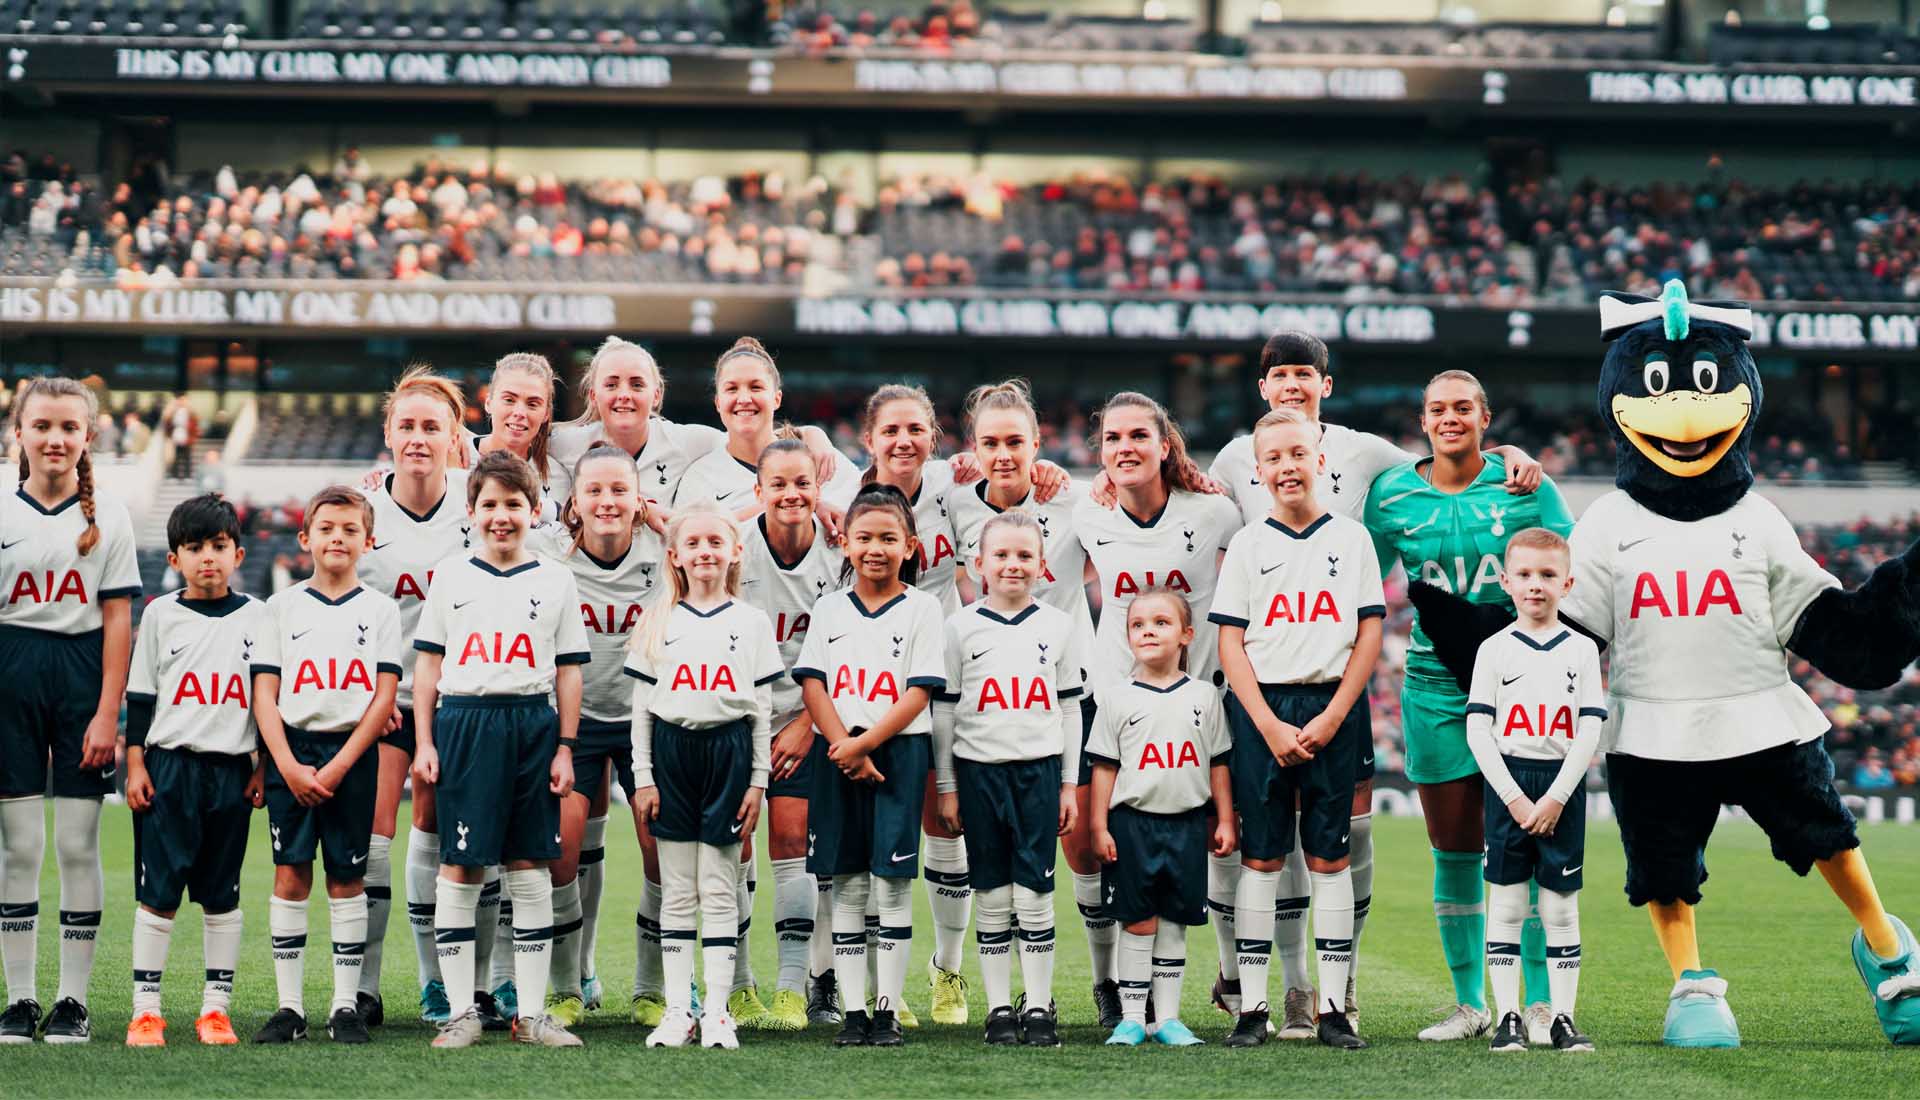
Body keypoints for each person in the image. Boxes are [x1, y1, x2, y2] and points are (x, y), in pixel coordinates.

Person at [1204, 331, 1542, 1035]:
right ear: (1262, 391)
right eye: (1279, 375)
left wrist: (1506, 453)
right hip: (1265, 685)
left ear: (1325, 389)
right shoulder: (1234, 460)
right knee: (1264, 856)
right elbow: (1187, 495)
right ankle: (1281, 990)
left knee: (1341, 849)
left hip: (1335, 687)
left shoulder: (1367, 458)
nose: (1292, 385)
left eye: (1305, 374)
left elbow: (1447, 454)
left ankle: (1340, 990)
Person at [1363, 369, 1575, 1044]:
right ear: (1422, 421)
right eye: (1437, 409)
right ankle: (1470, 1005)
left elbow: (1574, 568)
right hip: (1433, 685)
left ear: (1485, 418)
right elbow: (1360, 577)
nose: (1449, 417)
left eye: (1463, 408)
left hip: (1520, 686)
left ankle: (1538, 1004)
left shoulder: (1525, 485)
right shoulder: (1390, 494)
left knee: (1525, 845)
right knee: (1454, 850)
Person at [1210, 408, 1383, 1051]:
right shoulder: (1249, 544)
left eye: (1297, 453)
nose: (1287, 466)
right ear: (1258, 471)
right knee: (1261, 859)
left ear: (1320, 461)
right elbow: (1231, 643)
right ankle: (1253, 1009)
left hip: (1333, 706)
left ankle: (1333, 1009)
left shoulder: (1352, 540)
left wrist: (1333, 716)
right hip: (1263, 711)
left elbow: (1369, 633)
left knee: (1330, 859)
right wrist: (1267, 724)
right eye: (1274, 458)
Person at [409, 451, 589, 1050]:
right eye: (490, 504)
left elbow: (569, 673)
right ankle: (462, 1011)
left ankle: (531, 1015)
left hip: (532, 724)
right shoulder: (450, 575)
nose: (501, 516)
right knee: (461, 867)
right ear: (472, 510)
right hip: (466, 723)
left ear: (534, 511)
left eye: (514, 504)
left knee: (529, 867)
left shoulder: (556, 579)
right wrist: (425, 741)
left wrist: (565, 748)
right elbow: (428, 666)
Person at [1073, 391, 1241, 1029]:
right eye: (1112, 438)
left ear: (1164, 444)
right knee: (1099, 851)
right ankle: (1112, 988)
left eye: (1138, 435)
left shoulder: (1214, 510)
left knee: (1212, 845)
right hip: (1113, 707)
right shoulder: (1086, 512)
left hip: (1198, 704)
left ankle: (1231, 974)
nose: (1125, 447)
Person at [0, 376, 140, 1045]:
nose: (55, 439)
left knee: (78, 844)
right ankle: (20, 999)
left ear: (88, 436)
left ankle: (72, 1002)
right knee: (19, 846)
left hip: (82, 679)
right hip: (10, 675)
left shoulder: (110, 513)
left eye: (68, 428)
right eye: (42, 426)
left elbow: (117, 621)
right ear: (19, 433)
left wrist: (108, 713)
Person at [793, 484, 947, 1048]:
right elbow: (814, 683)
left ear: (910, 545)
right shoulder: (829, 608)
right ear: (845, 542)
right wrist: (843, 744)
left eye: (887, 538)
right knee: (848, 885)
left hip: (898, 753)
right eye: (864, 538)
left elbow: (919, 692)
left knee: (893, 884)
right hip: (836, 753)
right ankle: (853, 1011)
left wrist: (865, 746)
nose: (875, 549)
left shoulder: (924, 608)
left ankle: (887, 1010)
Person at [250, 486, 403, 1046]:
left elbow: (383, 698)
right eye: (327, 529)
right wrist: (286, 765)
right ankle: (290, 1007)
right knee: (291, 874)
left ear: (368, 541)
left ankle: (344, 1006)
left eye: (349, 529)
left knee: (347, 877)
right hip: (292, 753)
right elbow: (264, 695)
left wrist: (339, 766)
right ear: (305, 538)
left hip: (351, 756)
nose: (338, 538)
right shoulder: (279, 607)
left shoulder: (381, 609)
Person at [628, 505, 783, 1050]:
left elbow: (762, 711)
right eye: (692, 543)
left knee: (719, 887)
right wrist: (643, 776)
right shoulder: (658, 620)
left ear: (736, 551)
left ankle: (717, 1011)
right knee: (676, 890)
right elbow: (641, 709)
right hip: (672, 754)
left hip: (729, 753)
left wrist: (758, 781)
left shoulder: (752, 622)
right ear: (674, 555)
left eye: (716, 542)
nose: (705, 552)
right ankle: (678, 1010)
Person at [122, 494, 269, 1048]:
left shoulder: (259, 616)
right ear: (174, 558)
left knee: (221, 894)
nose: (207, 556)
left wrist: (262, 766)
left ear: (238, 554)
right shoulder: (161, 614)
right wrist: (135, 764)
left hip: (230, 770)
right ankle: (146, 1011)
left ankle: (215, 1010)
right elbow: (141, 697)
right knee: (158, 893)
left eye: (218, 545)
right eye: (194, 547)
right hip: (170, 768)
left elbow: (267, 700)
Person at [933, 511, 1084, 1046]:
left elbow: (1070, 708)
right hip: (978, 774)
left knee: (1035, 894)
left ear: (1043, 565)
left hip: (1038, 773)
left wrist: (1068, 784)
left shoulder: (1058, 626)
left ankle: (1038, 1006)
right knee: (993, 893)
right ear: (978, 564)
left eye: (1024, 555)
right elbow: (945, 711)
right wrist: (947, 787)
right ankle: (999, 1008)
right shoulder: (959, 627)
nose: (1012, 564)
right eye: (1000, 554)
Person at [354, 366, 474, 1028]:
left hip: (459, 700)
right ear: (388, 434)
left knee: (436, 827)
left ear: (455, 437)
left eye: (432, 427)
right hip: (385, 700)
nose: (419, 438)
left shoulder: (477, 505)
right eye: (407, 426)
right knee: (374, 837)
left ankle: (436, 983)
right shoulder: (362, 511)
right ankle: (364, 987)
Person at [532, 446, 661, 1029]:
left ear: (639, 501)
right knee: (560, 852)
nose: (607, 501)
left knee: (661, 851)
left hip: (647, 721)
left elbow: (723, 533)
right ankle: (565, 988)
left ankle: (651, 987)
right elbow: (485, 516)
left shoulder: (665, 552)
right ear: (574, 504)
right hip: (574, 724)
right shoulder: (546, 555)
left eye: (619, 490)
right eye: (595, 491)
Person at [1463, 526, 1602, 1053]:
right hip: (1510, 786)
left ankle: (1563, 1018)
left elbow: (1589, 729)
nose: (1535, 584)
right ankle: (1509, 1017)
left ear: (1567, 583)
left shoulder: (1582, 650)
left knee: (1560, 909)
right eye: (1524, 574)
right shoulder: (1494, 650)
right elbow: (1478, 730)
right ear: (1506, 581)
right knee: (1506, 906)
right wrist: (1515, 798)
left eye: (1547, 574)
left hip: (1561, 788)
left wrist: (1557, 797)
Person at [1087, 589, 1234, 1048]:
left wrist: (1224, 820)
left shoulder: (1204, 696)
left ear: (1187, 634)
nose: (1148, 631)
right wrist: (1098, 825)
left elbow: (1218, 763)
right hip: (1133, 825)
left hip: (1186, 825)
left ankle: (1167, 1018)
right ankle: (1132, 1017)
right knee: (1138, 922)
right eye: (1138, 625)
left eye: (1161, 623)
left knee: (1173, 922)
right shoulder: (1115, 698)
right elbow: (1104, 767)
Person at [738, 437, 846, 1029]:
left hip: (807, 716)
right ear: (758, 490)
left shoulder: (837, 549)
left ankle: (792, 987)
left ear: (818, 488)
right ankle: (738, 986)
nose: (790, 494)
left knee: (791, 839)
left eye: (802, 483)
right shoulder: (734, 546)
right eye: (777, 483)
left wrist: (807, 722)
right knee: (731, 850)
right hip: (739, 717)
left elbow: (845, 649)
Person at [550, 335, 841, 524]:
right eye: (611, 385)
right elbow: (526, 437)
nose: (624, 394)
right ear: (593, 395)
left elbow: (751, 434)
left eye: (637, 384)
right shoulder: (564, 442)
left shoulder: (688, 441)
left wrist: (813, 435)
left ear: (656, 395)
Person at [672, 337, 860, 515]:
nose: (744, 399)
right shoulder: (699, 479)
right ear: (718, 403)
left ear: (777, 398)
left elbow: (862, 517)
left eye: (756, 387)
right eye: (732, 389)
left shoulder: (820, 457)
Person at [461, 353, 563, 523]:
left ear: (546, 413)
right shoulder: (456, 457)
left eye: (532, 404)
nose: (519, 413)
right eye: (509, 400)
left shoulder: (557, 477)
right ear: (488, 403)